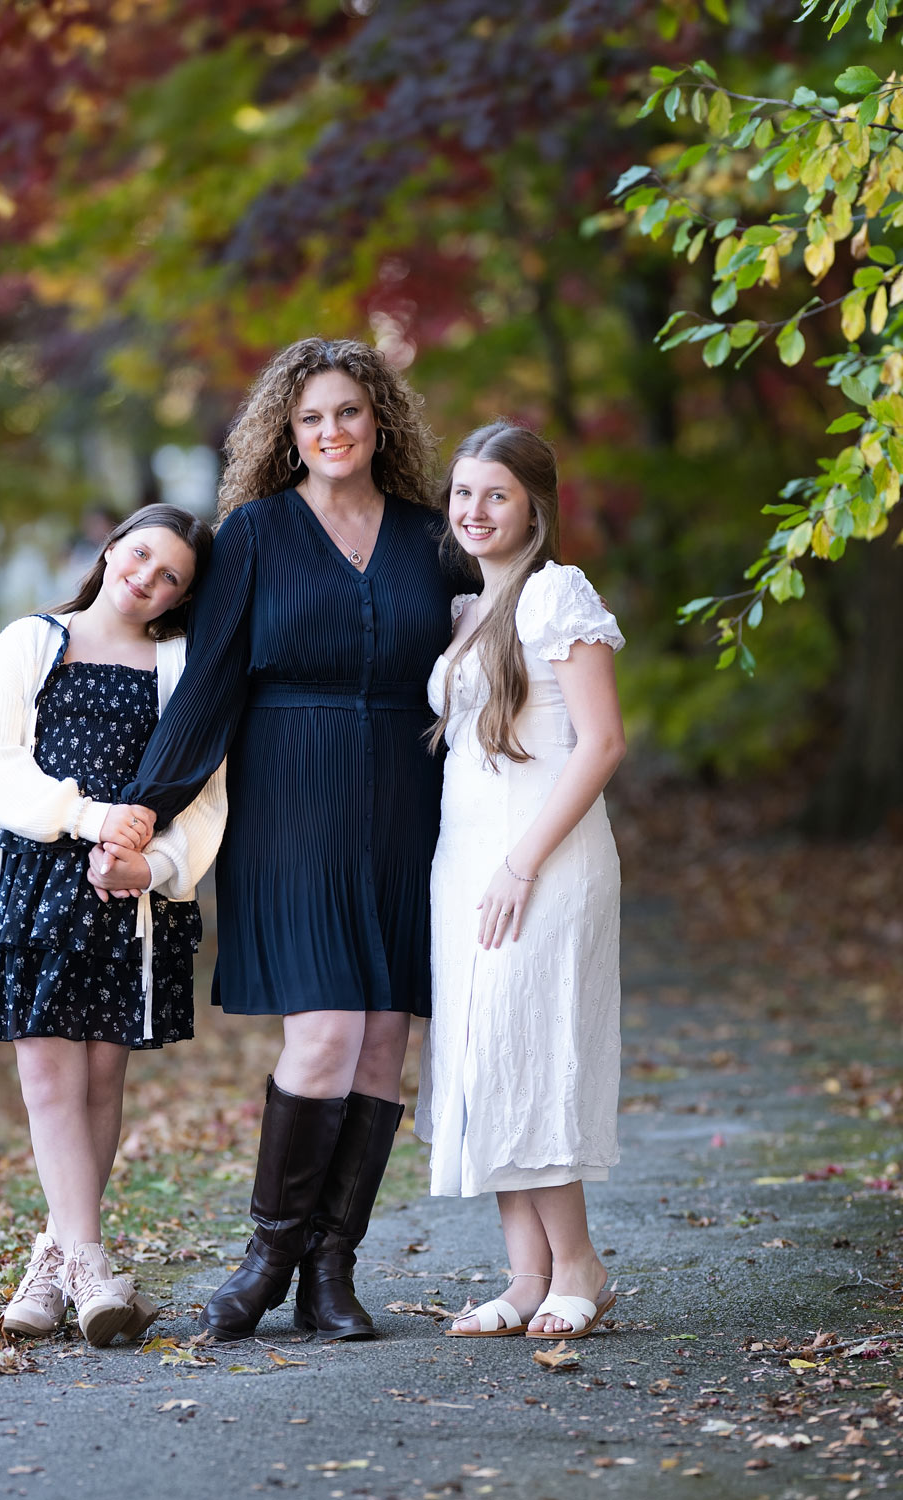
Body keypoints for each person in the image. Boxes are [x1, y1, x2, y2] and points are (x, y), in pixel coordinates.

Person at [89, 338, 454, 1342]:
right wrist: (139, 813)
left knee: (383, 1038)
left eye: (347, 412)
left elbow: (490, 648)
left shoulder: (434, 537)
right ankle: (265, 1264)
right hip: (291, 801)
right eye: (311, 419)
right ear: (287, 435)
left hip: (408, 805)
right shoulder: (252, 534)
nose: (331, 432)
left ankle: (330, 1277)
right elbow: (208, 688)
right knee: (327, 1031)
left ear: (380, 420)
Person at [0, 504, 226, 1347]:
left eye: (169, 575)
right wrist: (86, 817)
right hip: (34, 880)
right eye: (139, 555)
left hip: (125, 894)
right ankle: (93, 1268)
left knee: (102, 1080)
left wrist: (157, 865)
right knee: (47, 1081)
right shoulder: (34, 641)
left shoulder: (182, 668)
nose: (146, 577)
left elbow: (207, 792)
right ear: (111, 550)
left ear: (181, 596)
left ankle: (54, 1262)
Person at [416, 420, 626, 1341]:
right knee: (480, 1056)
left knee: (530, 1046)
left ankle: (580, 1265)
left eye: (495, 494)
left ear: (535, 506)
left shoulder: (556, 597)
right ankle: (525, 1275)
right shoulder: (467, 613)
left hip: (540, 857)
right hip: (465, 861)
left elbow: (603, 744)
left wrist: (521, 862)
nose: (475, 511)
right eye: (463, 493)